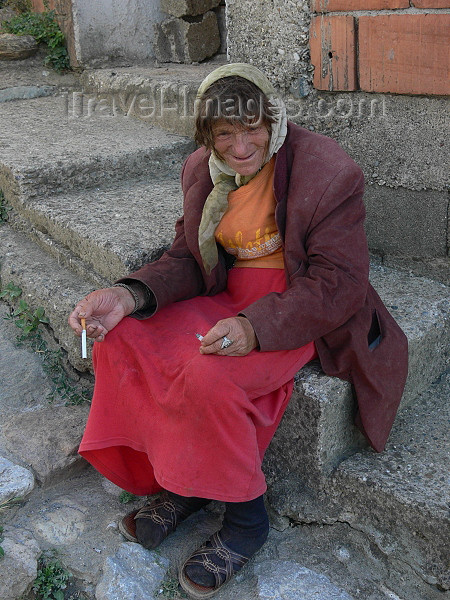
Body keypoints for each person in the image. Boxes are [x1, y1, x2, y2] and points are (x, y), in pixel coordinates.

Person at [68, 63, 408, 598]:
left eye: (252, 128)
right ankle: (184, 484)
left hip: (296, 305)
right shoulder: (203, 169)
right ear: (207, 137)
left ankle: (248, 520)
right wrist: (128, 294)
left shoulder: (328, 170)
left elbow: (339, 283)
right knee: (127, 337)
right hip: (226, 295)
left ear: (273, 118)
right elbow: (187, 256)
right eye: (224, 134)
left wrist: (255, 328)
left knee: (209, 377)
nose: (241, 147)